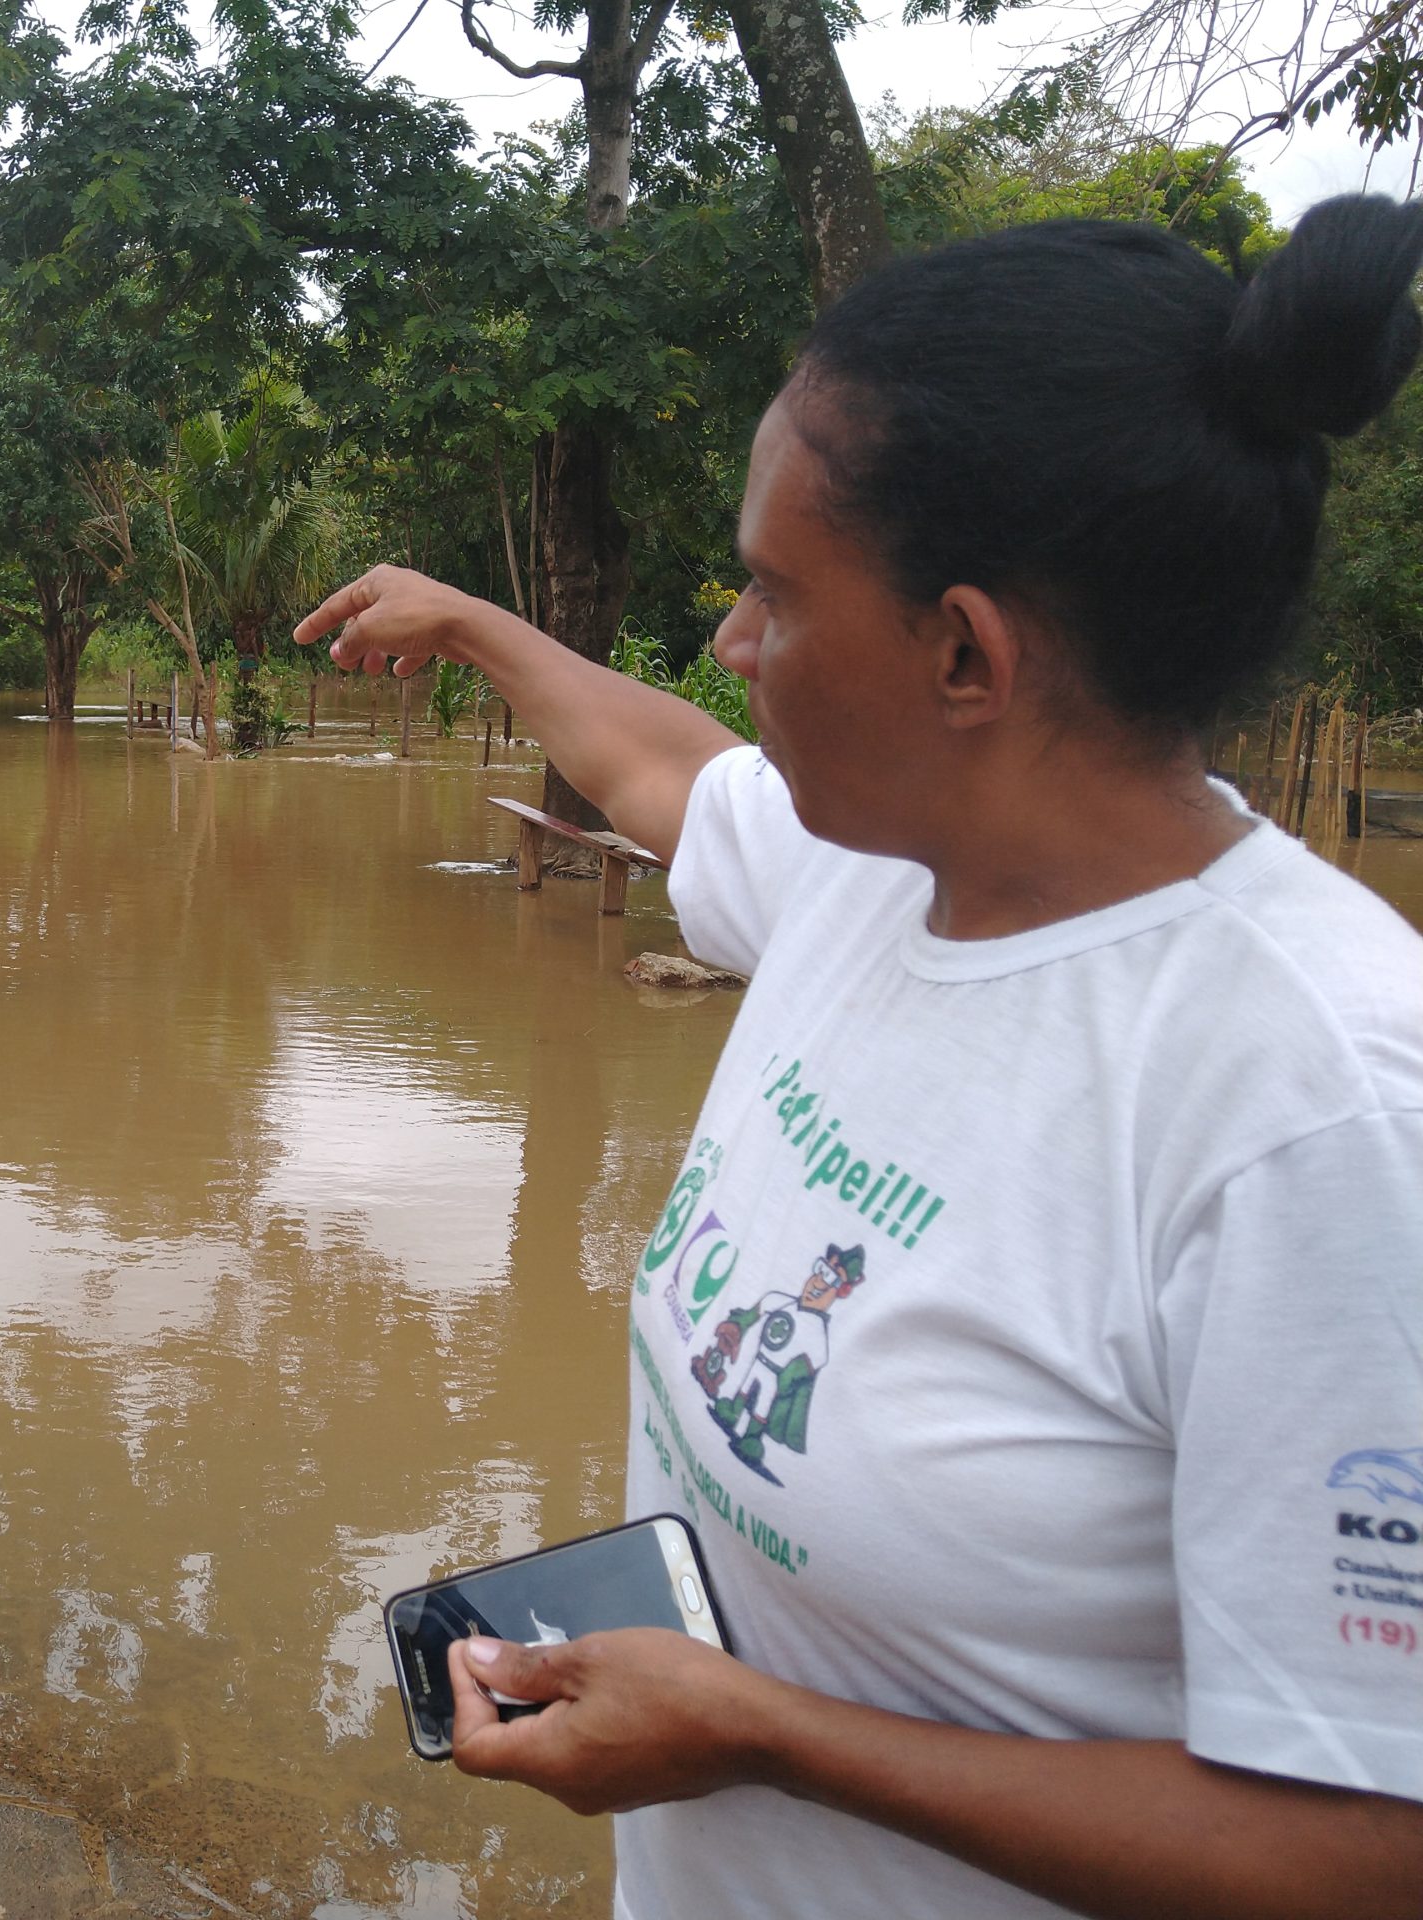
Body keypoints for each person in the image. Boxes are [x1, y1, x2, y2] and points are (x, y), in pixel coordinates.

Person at [295, 196, 1423, 1920]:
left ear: (964, 651)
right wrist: (474, 628)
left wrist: (771, 1737)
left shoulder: (1319, 1110)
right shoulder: (874, 860)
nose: (735, 649)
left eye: (769, 592)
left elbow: (1366, 1849)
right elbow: (665, 770)